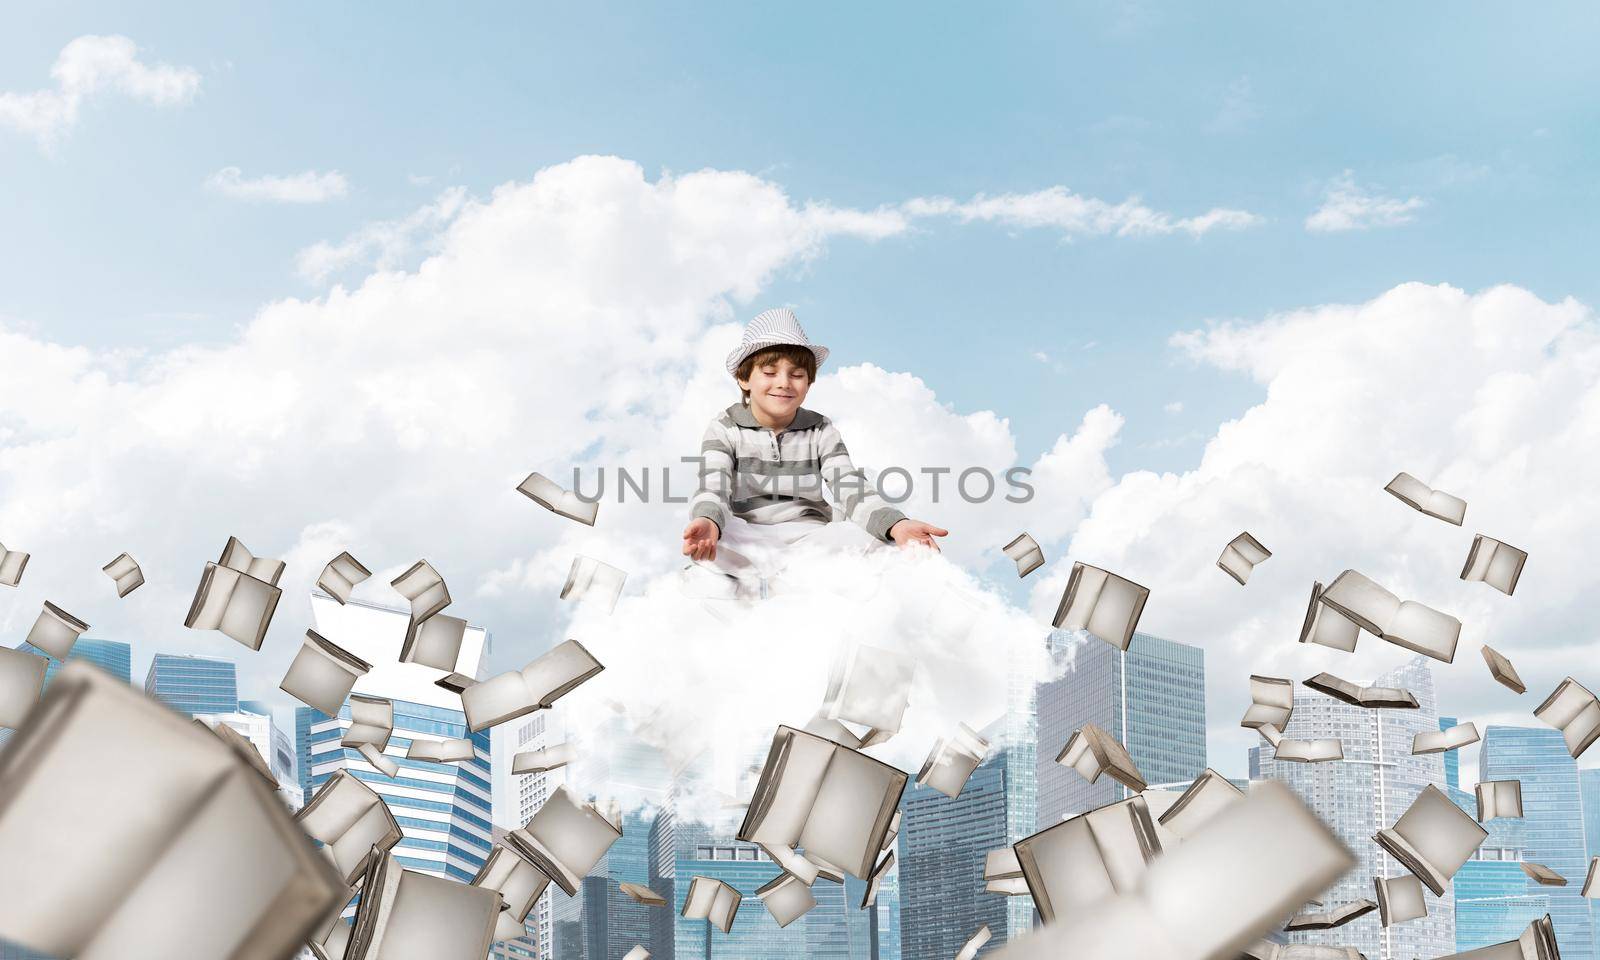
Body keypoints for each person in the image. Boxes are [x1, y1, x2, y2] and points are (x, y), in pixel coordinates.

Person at [680, 307, 947, 599]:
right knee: (709, 547)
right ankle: (743, 599)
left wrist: (897, 524)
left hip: (810, 536)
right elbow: (713, 485)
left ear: (808, 383)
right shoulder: (724, 427)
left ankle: (803, 590)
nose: (784, 382)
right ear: (745, 379)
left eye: (797, 375)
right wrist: (708, 521)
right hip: (747, 534)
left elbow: (849, 485)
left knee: (879, 543)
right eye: (770, 373)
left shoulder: (820, 428)